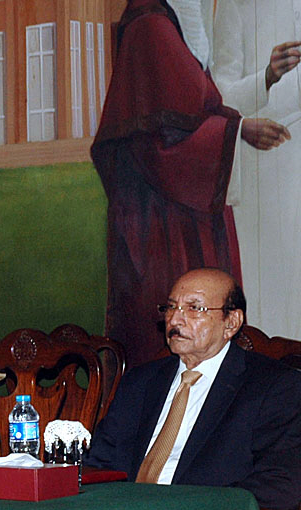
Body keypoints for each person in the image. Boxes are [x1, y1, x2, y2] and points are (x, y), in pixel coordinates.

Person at [91, 0, 289, 367]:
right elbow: (163, 138)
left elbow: (199, 105)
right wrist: (239, 129)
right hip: (162, 217)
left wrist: (260, 87)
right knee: (176, 338)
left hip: (182, 207)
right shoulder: (151, 24)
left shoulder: (173, 22)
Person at [86, 268, 301, 510]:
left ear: (231, 322)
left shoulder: (275, 386)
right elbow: (101, 463)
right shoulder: (141, 382)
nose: (176, 319)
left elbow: (280, 484)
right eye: (171, 307)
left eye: (194, 308)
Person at [211, 0, 301, 339]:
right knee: (272, 303)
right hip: (267, 166)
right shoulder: (237, 5)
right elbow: (222, 97)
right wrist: (268, 75)